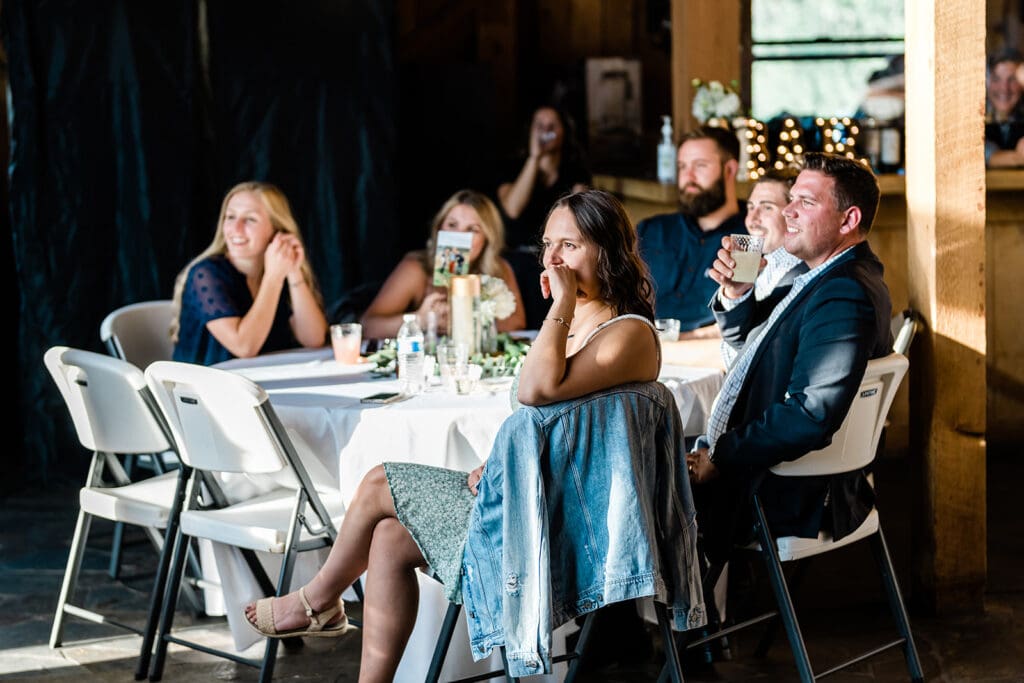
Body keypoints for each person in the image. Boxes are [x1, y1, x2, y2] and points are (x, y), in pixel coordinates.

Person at [243, 189, 664, 683]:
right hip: (529, 496)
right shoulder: (578, 324)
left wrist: (563, 303)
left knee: (380, 481)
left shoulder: (627, 332)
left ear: (606, 250)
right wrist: (505, 458)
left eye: (567, 246)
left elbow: (535, 391)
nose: (551, 259)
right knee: (388, 537)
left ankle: (316, 601)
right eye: (547, 244)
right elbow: (560, 423)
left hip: (555, 527)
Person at [688, 152, 892, 566]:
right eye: (791, 199)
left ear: (848, 220)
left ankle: (656, 623)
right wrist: (738, 293)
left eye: (806, 203)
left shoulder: (843, 295)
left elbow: (810, 415)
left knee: (629, 479)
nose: (788, 212)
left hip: (783, 491)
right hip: (775, 476)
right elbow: (752, 348)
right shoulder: (819, 277)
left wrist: (721, 456)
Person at [171, 181, 328, 366]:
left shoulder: (277, 271)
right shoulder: (205, 274)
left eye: (250, 219)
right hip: (205, 389)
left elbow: (314, 339)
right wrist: (273, 278)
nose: (235, 229)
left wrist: (294, 271)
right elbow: (245, 347)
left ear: (277, 229)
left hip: (260, 384)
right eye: (230, 217)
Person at [359, 189, 526, 339]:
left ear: (487, 239)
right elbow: (368, 326)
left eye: (472, 230)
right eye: (452, 225)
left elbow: (517, 322)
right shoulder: (416, 267)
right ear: (439, 229)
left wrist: (468, 318)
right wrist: (421, 319)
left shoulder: (497, 268)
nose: (459, 237)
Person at [636, 125, 747, 339]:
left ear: (730, 169)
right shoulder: (651, 230)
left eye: (700, 165)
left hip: (706, 361)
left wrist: (673, 343)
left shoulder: (746, 239)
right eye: (682, 166)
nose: (688, 176)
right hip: (640, 353)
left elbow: (741, 328)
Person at [497, 105, 592, 329]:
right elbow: (512, 209)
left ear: (563, 132)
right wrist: (534, 158)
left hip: (554, 261)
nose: (545, 131)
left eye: (552, 126)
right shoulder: (513, 167)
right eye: (539, 126)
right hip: (515, 262)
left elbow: (580, 221)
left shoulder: (575, 172)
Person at [715, 167, 806, 367]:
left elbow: (748, 354)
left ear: (793, 213)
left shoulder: (799, 275)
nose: (752, 220)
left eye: (767, 208)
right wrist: (734, 293)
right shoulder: (766, 265)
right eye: (750, 207)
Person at [985, 48, 1024, 168]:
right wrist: (1017, 157)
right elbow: (983, 154)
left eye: (1012, 79)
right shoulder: (975, 116)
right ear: (987, 82)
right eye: (996, 79)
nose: (1004, 88)